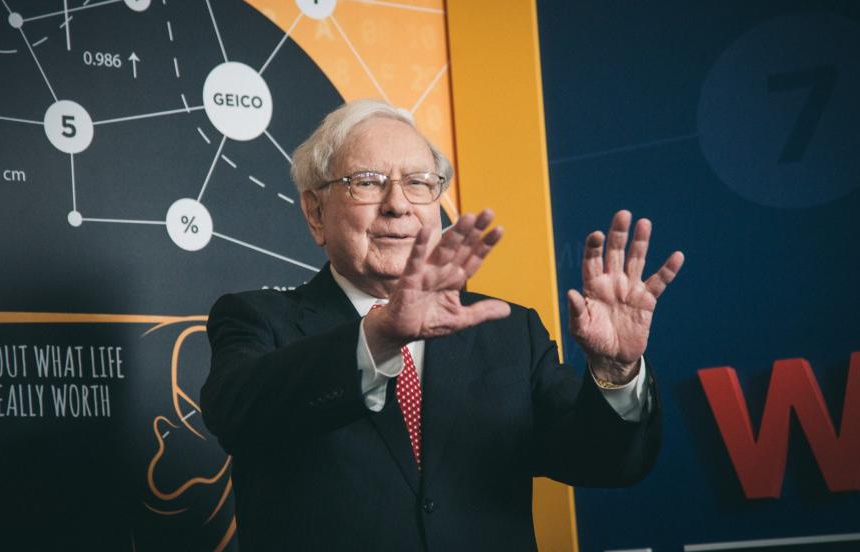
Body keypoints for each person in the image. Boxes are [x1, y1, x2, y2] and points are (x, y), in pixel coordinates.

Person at [201, 99, 684, 551]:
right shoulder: (257, 320)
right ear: (315, 213)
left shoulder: (509, 331)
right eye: (367, 182)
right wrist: (381, 335)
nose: (398, 204)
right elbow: (235, 413)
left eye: (418, 182)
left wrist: (617, 372)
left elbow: (604, 461)